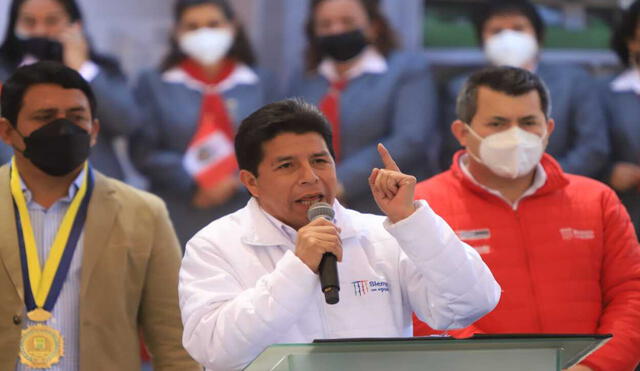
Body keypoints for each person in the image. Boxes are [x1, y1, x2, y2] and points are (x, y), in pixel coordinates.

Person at [178, 98, 501, 370]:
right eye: (287, 166)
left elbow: (472, 303)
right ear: (251, 182)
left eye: (320, 161)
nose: (310, 177)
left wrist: (412, 220)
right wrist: (298, 267)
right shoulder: (215, 245)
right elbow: (215, 350)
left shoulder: (382, 235)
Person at [413, 66, 640, 371]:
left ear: (548, 129)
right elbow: (417, 308)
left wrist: (594, 366)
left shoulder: (597, 200)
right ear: (462, 133)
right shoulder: (423, 208)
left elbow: (631, 294)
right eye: (498, 123)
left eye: (528, 122)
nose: (515, 135)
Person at [0, 62, 200, 370]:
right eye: (45, 117)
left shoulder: (144, 212)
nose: (63, 128)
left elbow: (174, 337)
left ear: (94, 131)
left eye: (77, 117)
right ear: (7, 131)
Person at [130, 0, 271, 245]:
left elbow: (273, 145)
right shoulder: (153, 83)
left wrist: (234, 181)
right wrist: (196, 182)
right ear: (177, 32)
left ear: (233, 27)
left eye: (213, 24)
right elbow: (144, 150)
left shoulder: (260, 82)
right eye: (193, 27)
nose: (204, 33)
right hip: (179, 209)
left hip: (247, 207)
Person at [289, 0, 439, 214]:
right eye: (325, 24)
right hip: (314, 208)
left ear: (373, 26)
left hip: (387, 205)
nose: (336, 30)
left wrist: (338, 182)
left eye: (347, 21)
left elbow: (410, 138)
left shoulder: (406, 69)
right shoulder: (306, 77)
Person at [438, 0, 609, 178]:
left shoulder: (573, 81)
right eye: (496, 31)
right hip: (485, 192)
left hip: (560, 189)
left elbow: (592, 148)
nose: (508, 38)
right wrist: (497, 185)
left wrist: (542, 181)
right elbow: (454, 150)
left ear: (538, 36)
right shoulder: (460, 88)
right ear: (482, 39)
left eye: (519, 28)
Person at [0, 0, 141, 181]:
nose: (40, 31)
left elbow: (126, 123)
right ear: (14, 25)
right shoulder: (4, 73)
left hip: (94, 195)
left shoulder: (99, 70)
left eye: (51, 21)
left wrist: (82, 69)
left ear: (75, 25)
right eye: (29, 22)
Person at [599, 0, 640, 235]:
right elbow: (589, 150)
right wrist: (609, 172)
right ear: (632, 41)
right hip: (628, 216)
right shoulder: (603, 93)